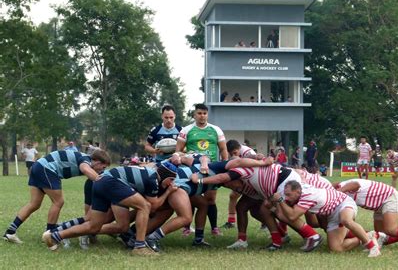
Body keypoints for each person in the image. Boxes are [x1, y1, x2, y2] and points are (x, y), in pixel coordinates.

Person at [42, 165, 175, 256]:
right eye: (171, 181)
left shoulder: (148, 172)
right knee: (145, 206)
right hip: (111, 183)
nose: (171, 184)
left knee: (98, 226)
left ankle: (54, 236)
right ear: (167, 178)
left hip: (101, 182)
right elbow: (154, 205)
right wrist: (168, 191)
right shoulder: (153, 179)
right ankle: (139, 247)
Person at [191, 164, 322, 251]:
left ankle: (312, 236)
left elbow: (221, 177)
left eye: (229, 184)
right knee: (258, 209)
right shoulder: (247, 171)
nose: (231, 187)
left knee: (284, 214)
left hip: (283, 181)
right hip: (277, 183)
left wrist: (199, 180)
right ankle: (278, 239)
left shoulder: (240, 169)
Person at [3, 149, 110, 244]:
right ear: (96, 161)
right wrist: (102, 182)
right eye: (102, 167)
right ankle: (49, 234)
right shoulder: (86, 160)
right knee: (58, 202)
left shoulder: (87, 160)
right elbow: (85, 169)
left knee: (34, 204)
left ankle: (10, 232)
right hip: (46, 169)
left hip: (38, 166)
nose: (101, 170)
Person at [274, 181, 381, 257]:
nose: (287, 197)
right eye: (285, 195)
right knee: (336, 249)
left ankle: (373, 248)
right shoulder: (299, 188)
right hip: (331, 213)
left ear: (297, 192)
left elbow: (292, 216)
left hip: (343, 202)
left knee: (346, 220)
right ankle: (367, 236)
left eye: (288, 195)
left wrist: (280, 201)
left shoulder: (307, 196)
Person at [176, 103, 228, 236]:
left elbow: (223, 149)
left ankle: (214, 228)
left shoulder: (216, 130)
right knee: (192, 196)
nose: (202, 116)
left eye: (204, 113)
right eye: (199, 113)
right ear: (194, 115)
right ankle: (187, 227)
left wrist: (224, 165)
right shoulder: (186, 130)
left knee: (211, 199)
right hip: (192, 169)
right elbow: (178, 151)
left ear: (207, 115)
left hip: (210, 169)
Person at [335, 179, 398, 250]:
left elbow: (356, 184)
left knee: (391, 230)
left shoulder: (342, 188)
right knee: (382, 237)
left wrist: (338, 193)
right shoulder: (336, 195)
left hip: (388, 196)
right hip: (377, 204)